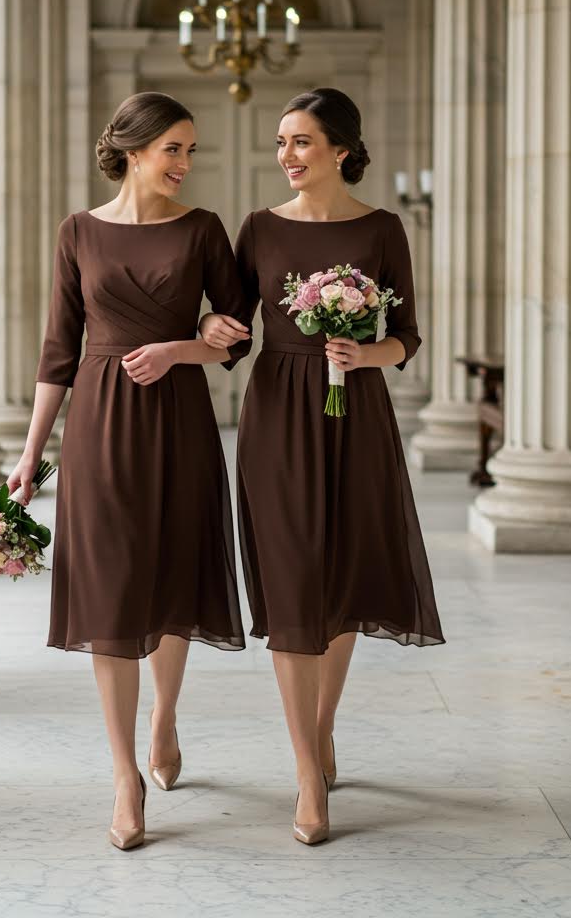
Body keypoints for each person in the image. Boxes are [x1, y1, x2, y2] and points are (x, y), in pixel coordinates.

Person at [201, 86, 445, 846]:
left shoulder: (382, 229)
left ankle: (321, 726)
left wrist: (367, 352)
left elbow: (407, 334)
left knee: (340, 578)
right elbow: (235, 329)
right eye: (281, 143)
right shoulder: (258, 228)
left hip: (357, 413)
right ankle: (308, 773)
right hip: (278, 413)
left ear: (341, 148)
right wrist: (209, 324)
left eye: (301, 141)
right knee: (294, 575)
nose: (287, 156)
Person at [8, 91, 250, 851]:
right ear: (134, 150)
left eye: (191, 151)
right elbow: (59, 354)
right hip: (101, 428)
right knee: (111, 589)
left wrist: (188, 343)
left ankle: (165, 714)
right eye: (173, 148)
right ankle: (123, 776)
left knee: (173, 575)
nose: (185, 163)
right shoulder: (77, 232)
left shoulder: (204, 230)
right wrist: (29, 456)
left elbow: (238, 335)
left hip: (180, 421)